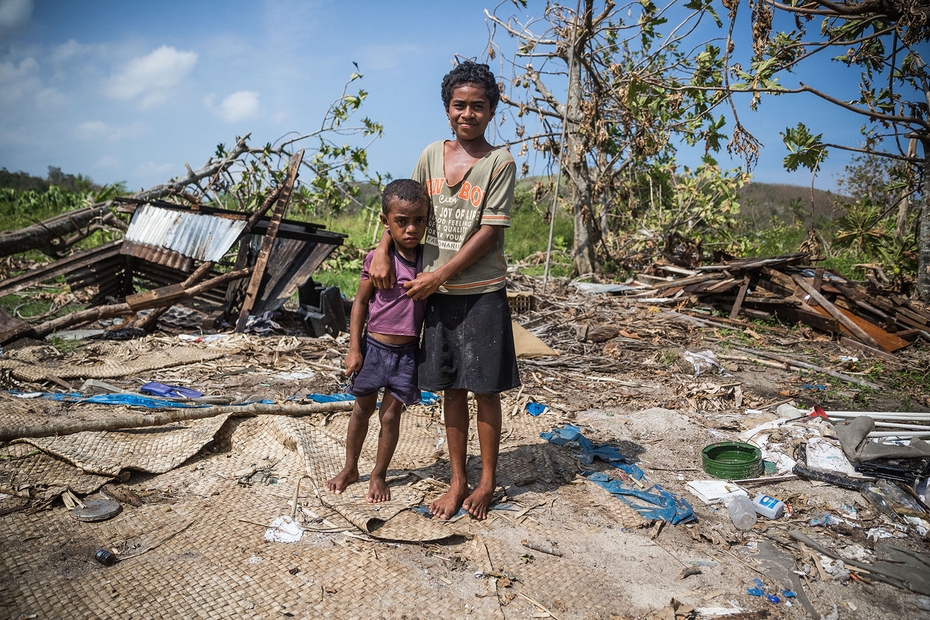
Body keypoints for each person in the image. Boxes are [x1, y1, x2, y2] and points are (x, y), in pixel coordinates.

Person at [369, 61, 521, 520]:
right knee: (451, 390)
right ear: (447, 109)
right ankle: (457, 481)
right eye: (460, 105)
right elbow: (403, 208)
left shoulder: (500, 162)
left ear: (492, 111)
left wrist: (439, 276)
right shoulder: (431, 155)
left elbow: (488, 235)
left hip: (480, 292)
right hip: (434, 295)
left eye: (478, 106)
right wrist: (381, 251)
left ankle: (487, 481)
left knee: (484, 388)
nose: (468, 113)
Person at [324, 179, 430, 503]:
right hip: (374, 349)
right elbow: (359, 303)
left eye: (419, 221)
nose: (411, 229)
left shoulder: (430, 261)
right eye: (401, 221)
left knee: (389, 416)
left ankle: (379, 474)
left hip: (407, 353)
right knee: (361, 410)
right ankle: (350, 467)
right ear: (386, 222)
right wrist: (354, 348)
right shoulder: (376, 259)